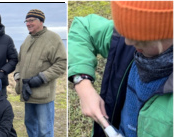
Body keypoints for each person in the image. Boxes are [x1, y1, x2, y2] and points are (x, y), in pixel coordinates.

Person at [68, 1, 173, 137]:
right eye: (125, 32)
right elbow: (83, 28)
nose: (128, 42)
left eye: (140, 37)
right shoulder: (127, 41)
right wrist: (83, 84)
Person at [14, 9, 67, 137]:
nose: (28, 24)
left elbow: (62, 64)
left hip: (44, 95)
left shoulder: (53, 38)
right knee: (30, 125)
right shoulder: (27, 39)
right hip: (28, 92)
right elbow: (19, 62)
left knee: (45, 130)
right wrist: (17, 75)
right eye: (26, 21)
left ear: (41, 21)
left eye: (31, 20)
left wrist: (41, 78)